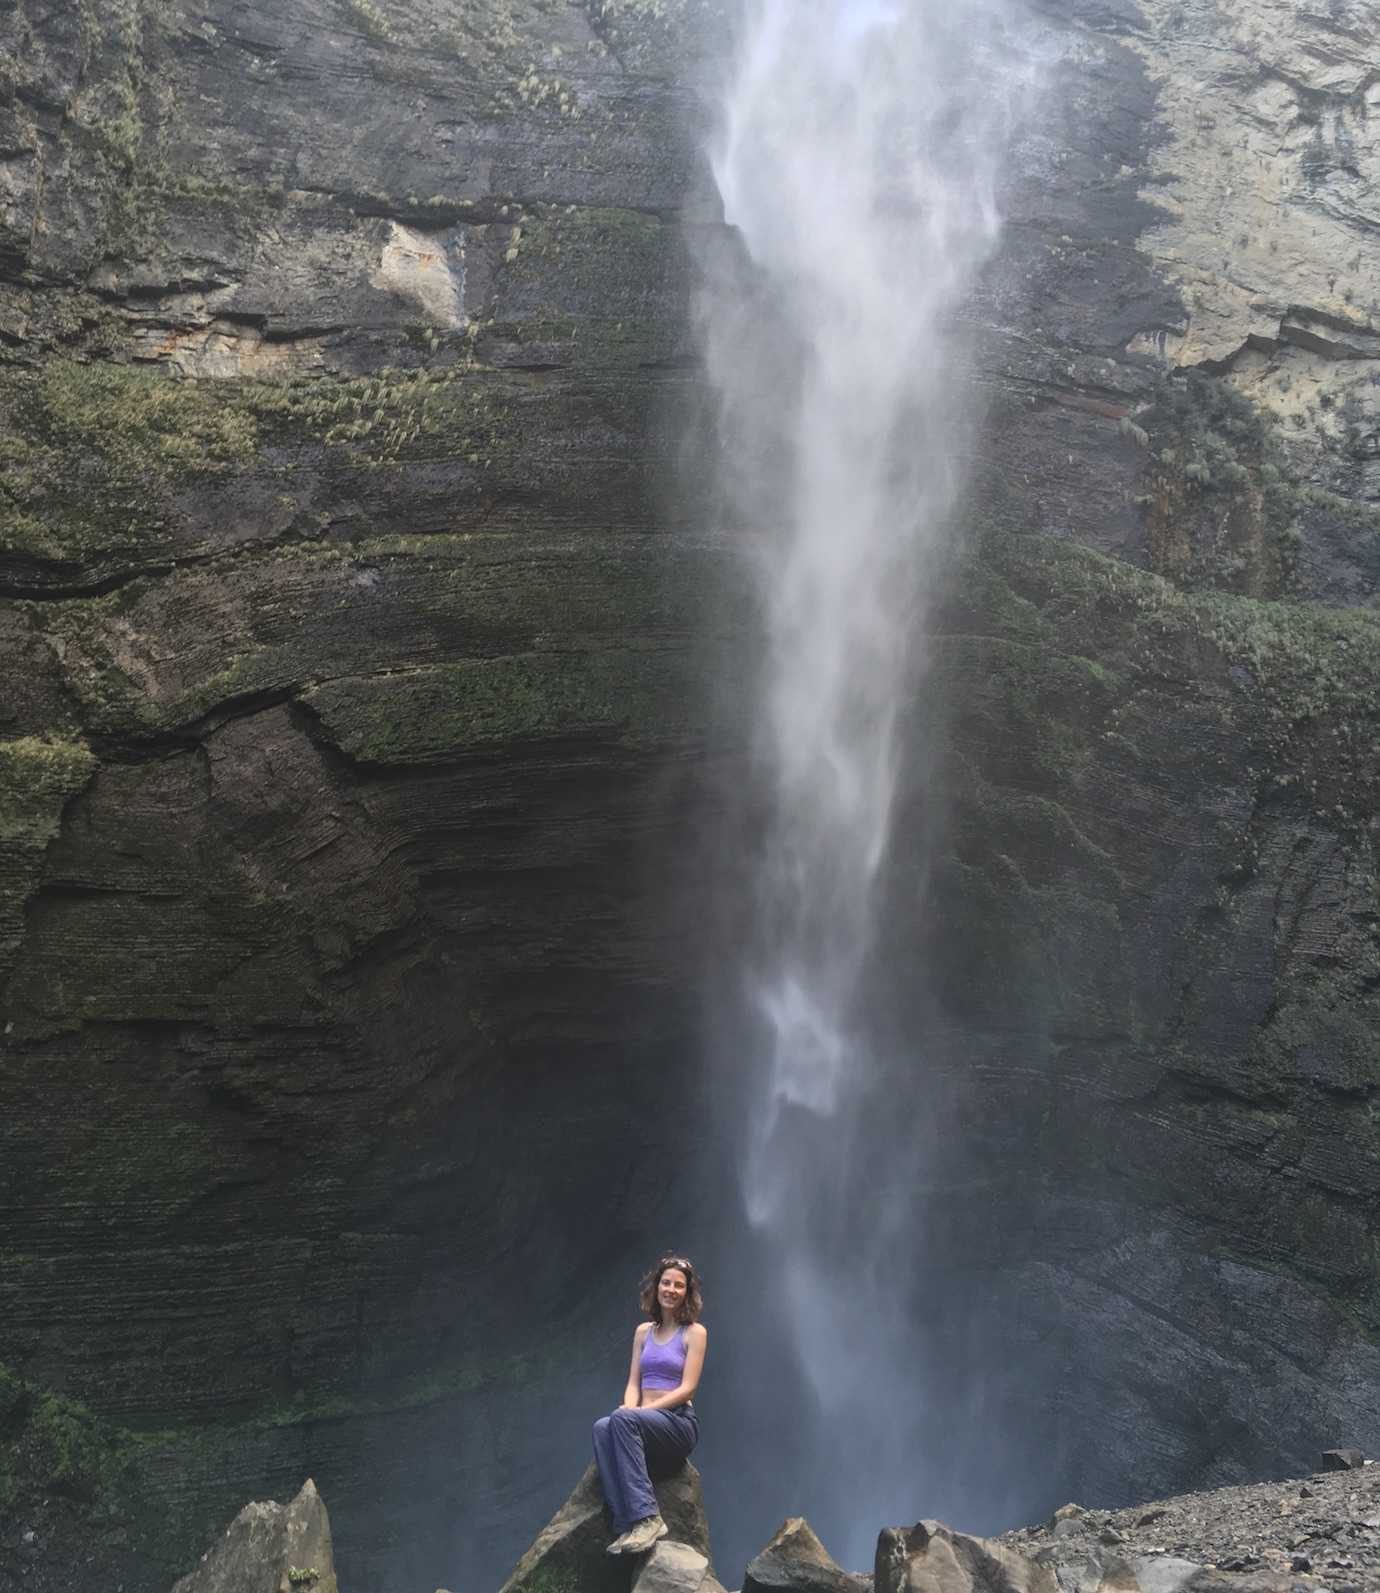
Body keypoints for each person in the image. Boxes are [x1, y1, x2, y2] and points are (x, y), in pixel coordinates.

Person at [592, 1254, 708, 1555]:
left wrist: (640, 1413)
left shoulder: (695, 1333)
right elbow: (634, 1382)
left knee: (622, 1420)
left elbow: (687, 1388)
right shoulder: (643, 1332)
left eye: (678, 1285)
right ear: (656, 1287)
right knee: (603, 1427)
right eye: (666, 1283)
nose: (671, 1289)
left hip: (678, 1423)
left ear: (687, 1292)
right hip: (644, 1422)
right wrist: (630, 1407)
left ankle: (648, 1518)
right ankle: (625, 1525)